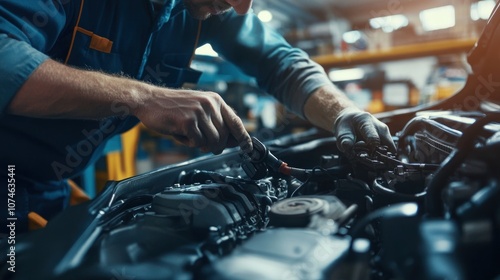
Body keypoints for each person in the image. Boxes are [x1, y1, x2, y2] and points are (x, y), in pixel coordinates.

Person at [0, 0, 395, 233]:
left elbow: (280, 62)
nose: (242, 6)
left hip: (45, 186)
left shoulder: (199, 8)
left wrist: (344, 113)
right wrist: (143, 96)